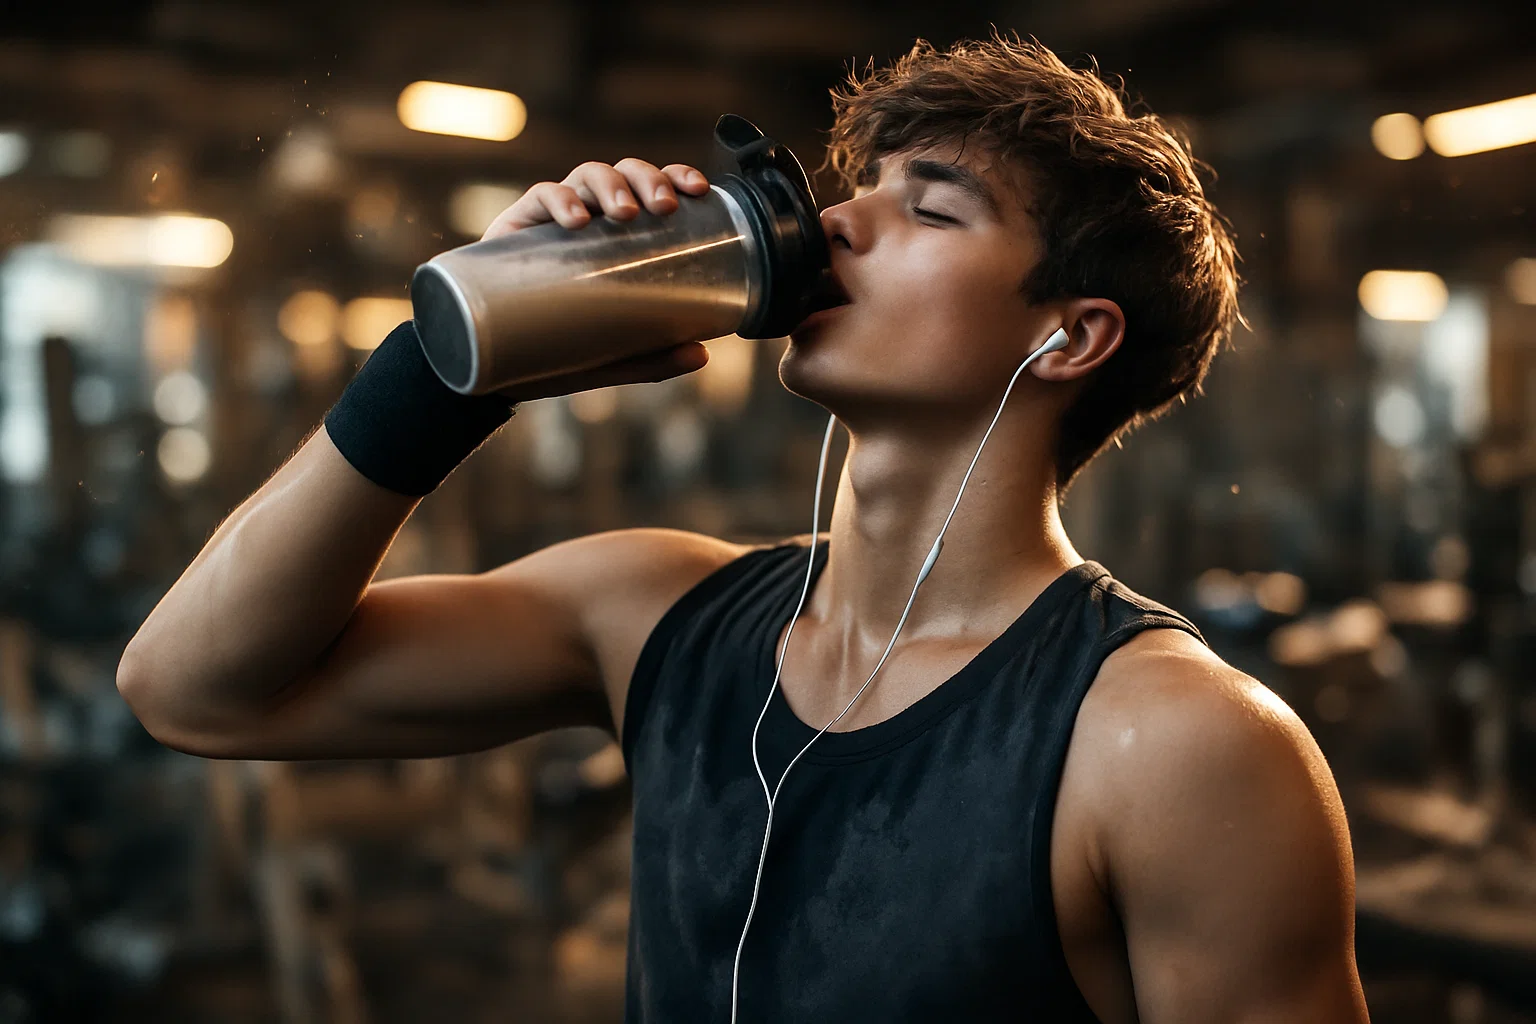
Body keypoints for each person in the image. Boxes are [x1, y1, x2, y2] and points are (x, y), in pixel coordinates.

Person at [118, 30, 1370, 1024]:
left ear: (1072, 334)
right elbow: (193, 692)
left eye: (930, 211)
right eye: (858, 187)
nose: (836, 222)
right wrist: (454, 370)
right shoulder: (654, 612)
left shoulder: (1172, 743)